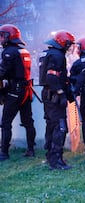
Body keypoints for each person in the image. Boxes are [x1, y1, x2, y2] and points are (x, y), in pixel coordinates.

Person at [39, 30, 75, 170]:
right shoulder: (57, 55)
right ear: (63, 43)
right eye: (69, 43)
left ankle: (51, 157)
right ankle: (56, 161)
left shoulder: (49, 53)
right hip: (54, 96)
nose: (70, 47)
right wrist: (61, 93)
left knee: (51, 125)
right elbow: (52, 77)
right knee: (60, 127)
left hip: (48, 95)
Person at [0, 24, 36, 161]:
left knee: (6, 122)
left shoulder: (9, 51)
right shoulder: (23, 50)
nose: (1, 38)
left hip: (15, 90)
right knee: (28, 121)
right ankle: (31, 150)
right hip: (26, 89)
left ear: (9, 36)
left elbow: (2, 72)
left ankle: (3, 153)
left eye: (2, 35)